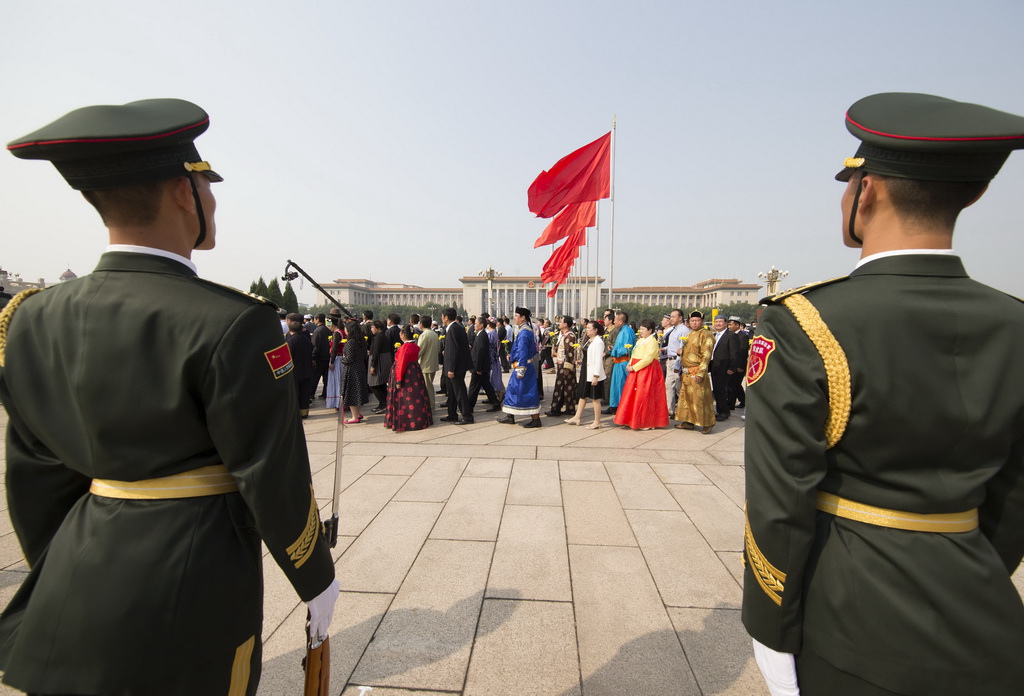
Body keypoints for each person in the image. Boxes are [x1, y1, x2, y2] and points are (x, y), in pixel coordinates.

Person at [0, 99, 338, 695]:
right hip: (194, 590)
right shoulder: (234, 322)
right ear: (186, 194)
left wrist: (66, 569)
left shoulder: (29, 318)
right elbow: (272, 474)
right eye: (208, 184)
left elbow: (34, 475)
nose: (213, 200)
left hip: (74, 583)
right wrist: (315, 577)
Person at [742, 92, 1024, 696]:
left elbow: (778, 503)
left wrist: (770, 631)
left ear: (866, 193)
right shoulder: (1014, 323)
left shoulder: (806, 324)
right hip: (986, 617)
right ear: (972, 194)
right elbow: (1013, 495)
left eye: (849, 183)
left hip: (850, 627)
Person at [613, 319, 670, 430]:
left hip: (646, 370)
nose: (641, 331)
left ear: (650, 330)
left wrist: (634, 367)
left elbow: (648, 359)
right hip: (636, 370)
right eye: (640, 329)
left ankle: (646, 421)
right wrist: (630, 364)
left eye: (643, 329)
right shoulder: (640, 340)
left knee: (644, 395)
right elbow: (634, 354)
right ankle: (631, 419)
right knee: (632, 395)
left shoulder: (652, 341)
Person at [496, 307, 541, 428]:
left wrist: (521, 368)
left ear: (523, 318)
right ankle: (510, 416)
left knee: (527, 393)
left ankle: (536, 419)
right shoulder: (525, 330)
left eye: (516, 316)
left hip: (523, 367)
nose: (514, 318)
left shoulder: (524, 332)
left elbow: (523, 351)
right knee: (513, 390)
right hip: (523, 365)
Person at [385, 325, 433, 432]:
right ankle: (419, 419)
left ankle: (405, 421)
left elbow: (401, 364)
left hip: (406, 373)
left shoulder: (404, 348)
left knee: (405, 397)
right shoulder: (415, 346)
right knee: (416, 396)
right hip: (415, 372)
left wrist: (398, 380)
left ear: (403, 335)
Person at [674, 312, 715, 434]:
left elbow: (706, 355)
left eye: (697, 320)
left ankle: (707, 423)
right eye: (692, 321)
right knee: (686, 399)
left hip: (696, 371)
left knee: (700, 399)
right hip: (686, 372)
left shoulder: (706, 334)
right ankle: (688, 421)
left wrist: (701, 373)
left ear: (702, 321)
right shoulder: (689, 334)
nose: (695, 323)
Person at [566, 320, 606, 430]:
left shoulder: (598, 342)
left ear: (596, 330)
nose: (587, 330)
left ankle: (597, 421)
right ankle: (577, 417)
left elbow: (598, 360)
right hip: (586, 370)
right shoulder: (589, 340)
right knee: (582, 394)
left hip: (593, 372)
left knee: (595, 398)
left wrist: (596, 376)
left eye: (589, 328)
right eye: (586, 328)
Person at [439, 308, 473, 424]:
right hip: (458, 366)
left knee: (459, 392)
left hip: (455, 368)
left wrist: (451, 369)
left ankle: (467, 416)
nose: (441, 318)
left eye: (442, 316)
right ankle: (452, 414)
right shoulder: (457, 327)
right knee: (452, 392)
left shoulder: (453, 329)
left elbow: (454, 350)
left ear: (446, 317)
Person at [709, 315, 740, 420]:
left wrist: (732, 367)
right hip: (714, 366)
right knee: (716, 390)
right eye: (716, 321)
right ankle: (719, 410)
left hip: (725, 367)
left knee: (721, 390)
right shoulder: (714, 335)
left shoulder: (731, 335)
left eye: (720, 322)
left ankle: (724, 412)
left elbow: (734, 353)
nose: (718, 324)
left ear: (726, 323)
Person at [545, 315, 577, 417]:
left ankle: (558, 409)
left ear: (566, 324)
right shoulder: (563, 335)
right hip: (561, 364)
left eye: (561, 322)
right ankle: (565, 408)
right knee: (564, 387)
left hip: (565, 366)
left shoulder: (569, 336)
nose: (559, 324)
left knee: (564, 387)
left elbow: (570, 353)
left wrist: (567, 367)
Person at [467, 317, 501, 414]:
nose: (474, 325)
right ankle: (495, 403)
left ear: (481, 325)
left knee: (474, 387)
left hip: (479, 367)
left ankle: (469, 407)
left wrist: (478, 367)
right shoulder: (480, 334)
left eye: (476, 323)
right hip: (481, 366)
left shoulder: (482, 335)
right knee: (487, 386)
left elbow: (481, 352)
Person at [605, 311, 636, 415]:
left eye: (615, 320)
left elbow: (627, 348)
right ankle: (614, 405)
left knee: (621, 385)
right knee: (616, 386)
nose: (614, 322)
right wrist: (613, 348)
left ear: (621, 321)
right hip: (618, 362)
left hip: (623, 362)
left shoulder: (627, 331)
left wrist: (614, 351)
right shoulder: (622, 331)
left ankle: (621, 407)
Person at [340, 317, 369, 424]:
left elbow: (349, 359)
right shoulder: (361, 341)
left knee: (351, 392)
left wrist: (342, 359)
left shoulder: (351, 343)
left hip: (352, 370)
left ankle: (354, 416)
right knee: (358, 392)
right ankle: (357, 413)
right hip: (360, 368)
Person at [285, 313, 313, 418]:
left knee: (296, 393)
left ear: (290, 330)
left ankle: (295, 413)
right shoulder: (306, 340)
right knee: (305, 393)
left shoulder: (290, 341)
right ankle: (304, 413)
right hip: (307, 370)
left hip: (295, 371)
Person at [367, 320, 391, 414]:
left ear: (378, 328)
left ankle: (383, 403)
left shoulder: (378, 337)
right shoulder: (383, 336)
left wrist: (373, 365)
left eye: (373, 327)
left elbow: (376, 352)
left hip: (379, 362)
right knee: (381, 385)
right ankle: (383, 404)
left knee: (373, 384)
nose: (371, 329)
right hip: (383, 361)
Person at [324, 313, 347, 411]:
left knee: (337, 381)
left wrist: (332, 362)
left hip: (337, 359)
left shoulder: (337, 334)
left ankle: (339, 403)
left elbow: (334, 348)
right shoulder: (342, 332)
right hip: (341, 359)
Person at [417, 315, 439, 412]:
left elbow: (419, 351)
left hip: (426, 365)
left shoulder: (424, 335)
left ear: (421, 324)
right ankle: (430, 406)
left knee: (427, 387)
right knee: (429, 386)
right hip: (433, 363)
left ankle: (430, 407)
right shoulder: (433, 333)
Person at [727, 316, 749, 410]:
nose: (729, 326)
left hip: (739, 365)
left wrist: (740, 366)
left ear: (737, 325)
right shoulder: (730, 334)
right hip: (732, 364)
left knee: (734, 384)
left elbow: (743, 352)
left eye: (731, 324)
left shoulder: (742, 336)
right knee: (734, 384)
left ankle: (733, 403)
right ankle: (743, 400)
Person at [310, 312, 332, 401]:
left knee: (315, 377)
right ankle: (325, 393)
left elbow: (315, 345)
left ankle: (311, 394)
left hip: (319, 358)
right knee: (326, 378)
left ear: (317, 319)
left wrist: (313, 358)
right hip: (327, 357)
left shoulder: (317, 331)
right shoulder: (328, 330)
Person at [486, 317, 504, 401]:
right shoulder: (494, 333)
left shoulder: (490, 334)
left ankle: (499, 395)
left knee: (493, 378)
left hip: (491, 359)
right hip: (494, 358)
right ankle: (492, 396)